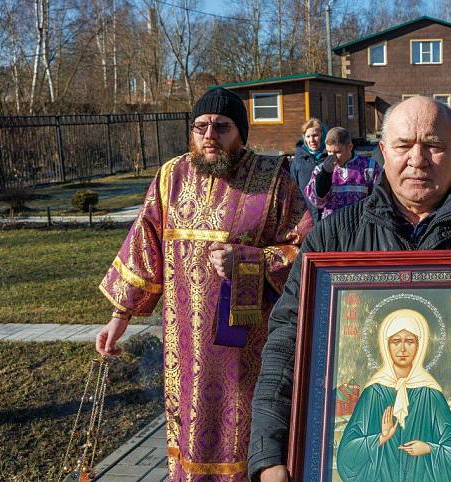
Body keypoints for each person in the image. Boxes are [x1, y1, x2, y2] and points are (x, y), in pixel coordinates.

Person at [250, 96, 451, 482]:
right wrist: (268, 455)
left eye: (434, 146)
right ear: (383, 152)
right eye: (403, 146)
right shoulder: (333, 239)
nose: (417, 159)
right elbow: (287, 348)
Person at [95, 87, 311, 480]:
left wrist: (254, 259)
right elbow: (145, 245)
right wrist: (119, 316)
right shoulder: (170, 177)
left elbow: (303, 250)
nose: (209, 135)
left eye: (221, 127)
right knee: (189, 428)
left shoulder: (273, 181)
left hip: (247, 345)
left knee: (244, 431)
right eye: (201, 127)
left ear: (240, 133)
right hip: (184, 344)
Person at [336, 309, 451, 481]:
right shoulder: (373, 394)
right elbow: (345, 457)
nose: (403, 348)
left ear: (419, 346)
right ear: (386, 345)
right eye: (396, 341)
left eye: (410, 341)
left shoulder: (431, 395)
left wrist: (429, 448)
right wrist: (380, 438)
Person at [303, 126, 382, 219]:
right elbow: (315, 202)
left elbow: (379, 199)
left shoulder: (369, 167)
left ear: (350, 147)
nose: (333, 157)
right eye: (329, 152)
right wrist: (325, 174)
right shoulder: (320, 169)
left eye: (337, 152)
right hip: (332, 227)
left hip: (360, 225)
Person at [292, 118, 328, 222]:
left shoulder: (330, 157)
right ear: (304, 138)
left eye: (315, 135)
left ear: (323, 135)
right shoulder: (298, 160)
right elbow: (293, 188)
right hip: (306, 216)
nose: (311, 140)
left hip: (328, 214)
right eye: (308, 136)